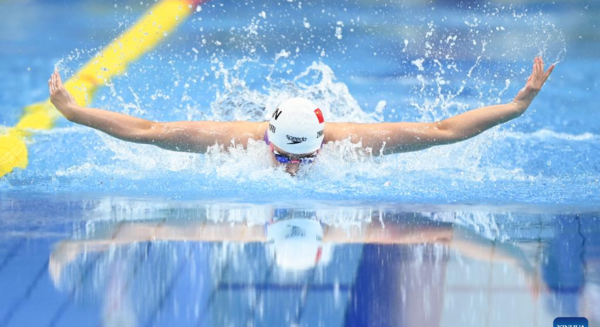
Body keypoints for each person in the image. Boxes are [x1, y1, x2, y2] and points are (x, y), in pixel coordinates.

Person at [49, 57, 554, 175]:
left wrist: (517, 105)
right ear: (266, 139)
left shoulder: (352, 139)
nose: (291, 166)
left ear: (322, 141)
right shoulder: (229, 141)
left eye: (304, 156)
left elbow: (442, 132)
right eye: (283, 154)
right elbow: (150, 132)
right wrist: (75, 113)